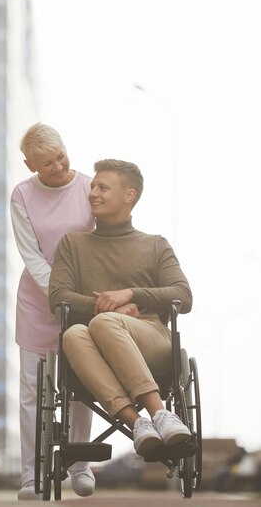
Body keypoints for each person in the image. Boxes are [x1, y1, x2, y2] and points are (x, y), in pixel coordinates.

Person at [49, 159, 193, 457]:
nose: (93, 193)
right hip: (91, 344)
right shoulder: (72, 245)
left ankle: (160, 413)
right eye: (92, 187)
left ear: (129, 196)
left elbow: (183, 295)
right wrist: (107, 307)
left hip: (150, 339)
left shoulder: (155, 245)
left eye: (103, 187)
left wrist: (130, 295)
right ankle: (139, 422)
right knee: (73, 334)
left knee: (101, 324)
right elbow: (58, 296)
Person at [10, 123, 96, 500]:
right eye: (47, 164)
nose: (58, 167)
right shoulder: (22, 196)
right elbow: (31, 255)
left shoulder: (89, 187)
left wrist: (79, 297)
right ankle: (30, 475)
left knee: (82, 384)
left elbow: (101, 243)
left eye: (60, 157)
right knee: (31, 389)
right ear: (30, 164)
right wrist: (57, 293)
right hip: (38, 299)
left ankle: (80, 465)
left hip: (82, 298)